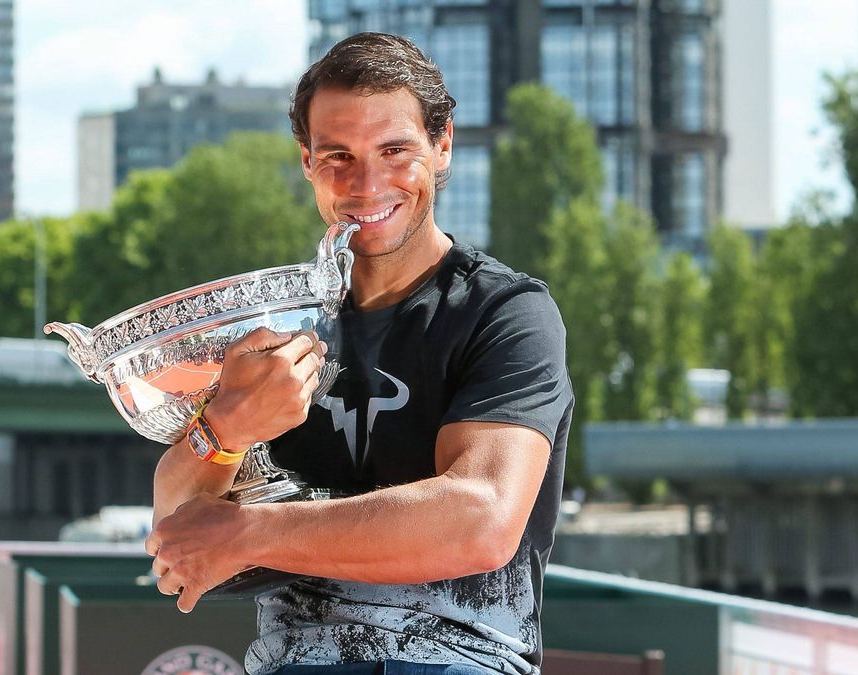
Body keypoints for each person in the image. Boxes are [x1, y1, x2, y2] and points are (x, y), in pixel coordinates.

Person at [145, 32, 573, 675]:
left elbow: (480, 520)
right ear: (306, 161)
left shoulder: (505, 312)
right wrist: (225, 428)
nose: (367, 183)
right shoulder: (277, 323)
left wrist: (250, 535)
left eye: (395, 150)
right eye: (338, 155)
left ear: (443, 144)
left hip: (455, 661)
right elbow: (178, 529)